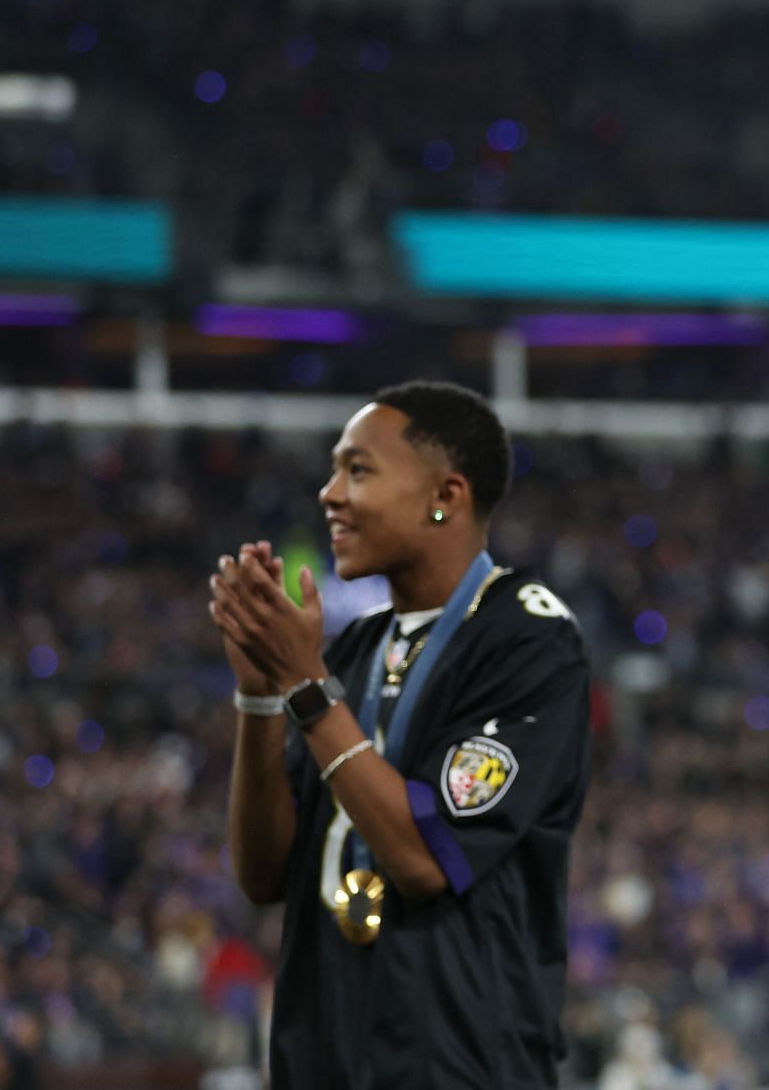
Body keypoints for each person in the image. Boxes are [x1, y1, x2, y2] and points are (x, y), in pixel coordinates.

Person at [212, 381, 591, 1088]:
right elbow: (264, 873)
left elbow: (422, 859)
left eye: (358, 469)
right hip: (326, 1055)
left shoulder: (525, 638)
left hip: (458, 1062)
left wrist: (303, 686)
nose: (329, 492)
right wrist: (261, 698)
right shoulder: (351, 651)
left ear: (443, 494)